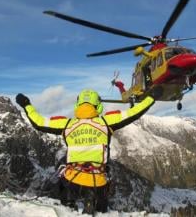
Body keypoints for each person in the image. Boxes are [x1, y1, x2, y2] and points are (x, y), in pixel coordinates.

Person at [16, 88, 161, 214]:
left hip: (72, 180)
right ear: (97, 106)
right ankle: (97, 206)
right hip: (98, 181)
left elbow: (38, 122)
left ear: (77, 105)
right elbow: (134, 113)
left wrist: (27, 105)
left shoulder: (67, 124)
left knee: (62, 175)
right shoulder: (106, 122)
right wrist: (151, 97)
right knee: (102, 204)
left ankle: (69, 206)